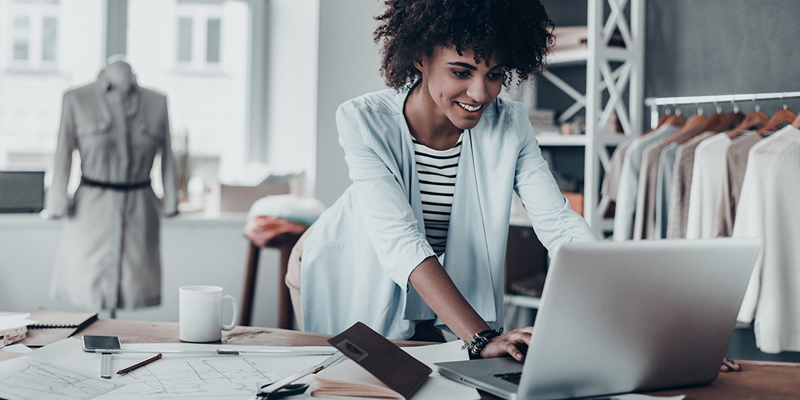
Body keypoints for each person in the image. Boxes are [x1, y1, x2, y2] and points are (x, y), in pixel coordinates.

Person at [286, 0, 738, 370]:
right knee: (352, 383)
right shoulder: (363, 119)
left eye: (495, 74)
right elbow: (401, 240)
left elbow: (560, 226)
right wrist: (482, 336)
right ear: (421, 59)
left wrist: (660, 333)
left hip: (434, 278)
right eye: (461, 71)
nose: (480, 93)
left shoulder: (509, 124)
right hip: (344, 263)